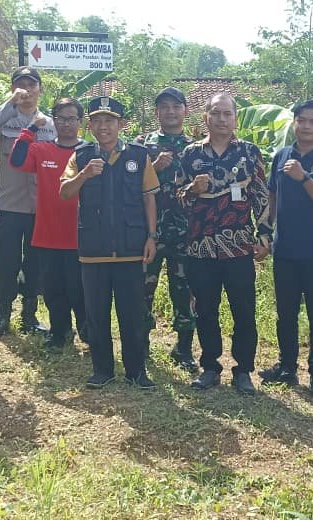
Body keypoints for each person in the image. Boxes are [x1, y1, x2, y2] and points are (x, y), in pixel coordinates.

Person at [176, 93, 272, 396]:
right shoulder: (191, 154)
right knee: (205, 310)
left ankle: (243, 370)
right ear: (206, 117)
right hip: (200, 248)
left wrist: (265, 235)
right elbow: (178, 200)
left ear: (235, 118)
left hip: (239, 248)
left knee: (244, 310)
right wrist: (193, 189)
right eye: (215, 113)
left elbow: (261, 196)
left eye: (227, 114)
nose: (221, 119)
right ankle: (210, 367)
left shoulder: (249, 152)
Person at [60, 96, 158, 389]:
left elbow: (149, 197)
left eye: (110, 121)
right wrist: (84, 174)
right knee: (96, 314)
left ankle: (136, 371)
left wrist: (152, 237)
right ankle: (102, 369)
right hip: (94, 249)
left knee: (133, 315)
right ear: (89, 125)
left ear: (121, 124)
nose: (103, 127)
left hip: (130, 248)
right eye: (98, 121)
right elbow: (64, 192)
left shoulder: (139, 156)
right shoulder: (80, 155)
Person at [259, 99, 313, 397]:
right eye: (301, 120)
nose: (306, 126)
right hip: (285, 249)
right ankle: (287, 367)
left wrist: (303, 177)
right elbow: (272, 196)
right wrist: (267, 230)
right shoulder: (281, 155)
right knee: (286, 313)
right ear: (294, 122)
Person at [0, 66, 55, 338]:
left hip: (39, 208)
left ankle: (30, 315)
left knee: (35, 262)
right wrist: (9, 104)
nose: (26, 90)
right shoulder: (5, 120)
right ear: (13, 89)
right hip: (9, 205)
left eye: (31, 85)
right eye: (20, 85)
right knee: (5, 261)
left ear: (39, 89)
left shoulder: (50, 124)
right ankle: (2, 315)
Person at [8, 98, 89, 352]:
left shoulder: (89, 152)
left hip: (81, 235)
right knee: (54, 290)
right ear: (54, 121)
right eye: (61, 118)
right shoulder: (41, 149)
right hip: (48, 233)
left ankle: (88, 331)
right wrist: (31, 128)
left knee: (81, 290)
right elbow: (17, 161)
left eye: (72, 119)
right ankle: (59, 332)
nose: (66, 124)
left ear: (80, 122)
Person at [137, 87, 198, 370]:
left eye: (176, 106)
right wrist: (153, 166)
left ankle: (184, 350)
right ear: (157, 112)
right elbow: (127, 184)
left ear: (185, 110)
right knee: (143, 289)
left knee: (185, 290)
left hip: (187, 233)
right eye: (164, 106)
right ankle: (141, 345)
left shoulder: (197, 146)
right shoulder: (141, 145)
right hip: (150, 232)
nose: (170, 111)